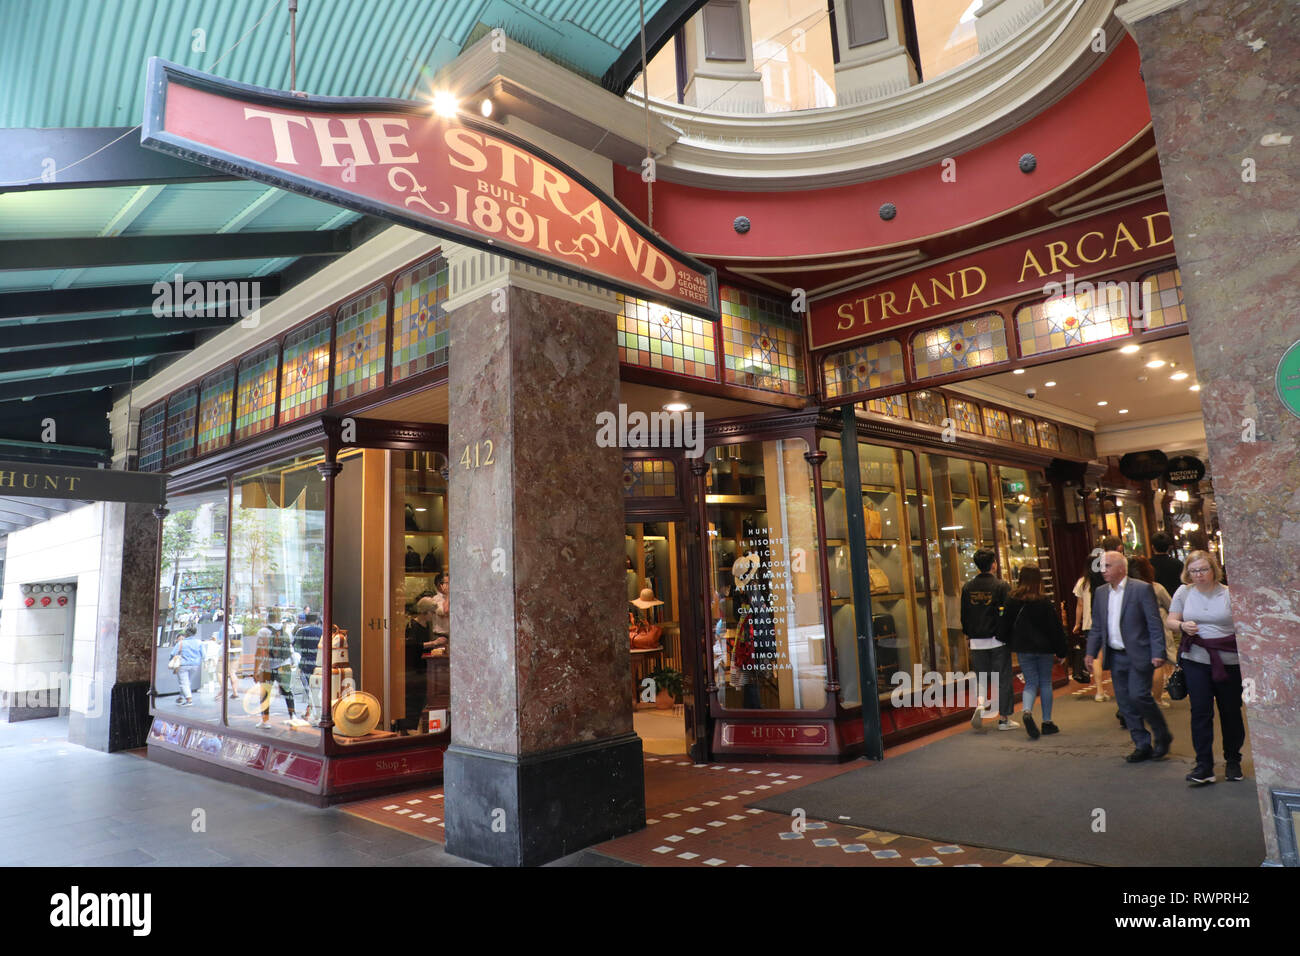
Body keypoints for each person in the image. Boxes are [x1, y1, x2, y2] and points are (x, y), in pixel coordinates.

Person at [1086, 551, 1173, 763]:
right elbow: (1097, 626)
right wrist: (1090, 652)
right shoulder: (1100, 592)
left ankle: (1162, 734)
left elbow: (1154, 623)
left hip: (1139, 653)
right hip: (1115, 655)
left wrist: (1158, 652)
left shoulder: (1141, 589)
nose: (1103, 570)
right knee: (1124, 703)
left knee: (1138, 695)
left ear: (1121, 568)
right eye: (1101, 566)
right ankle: (1141, 744)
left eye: (1107, 566)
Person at [1167, 550, 1244, 785]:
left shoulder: (1229, 594)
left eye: (1203, 570)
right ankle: (1204, 766)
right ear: (1187, 573)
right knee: (1200, 711)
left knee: (1230, 711)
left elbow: (1244, 625)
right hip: (1195, 659)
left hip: (1228, 661)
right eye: (1193, 571)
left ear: (1214, 570)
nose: (1199, 575)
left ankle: (1233, 761)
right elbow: (1170, 621)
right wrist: (1182, 625)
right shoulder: (1184, 592)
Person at [998, 564, 1068, 739]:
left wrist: (1008, 641)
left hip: (1023, 648)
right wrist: (1061, 650)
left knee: (1030, 683)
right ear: (1039, 580)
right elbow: (1054, 628)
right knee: (1045, 682)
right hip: (1044, 648)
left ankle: (1027, 712)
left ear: (1020, 578)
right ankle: (1047, 722)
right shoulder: (1043, 601)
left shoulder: (1012, 600)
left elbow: (1004, 625)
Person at [961, 549, 1015, 731]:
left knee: (982, 677)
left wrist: (968, 634)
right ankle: (1004, 719)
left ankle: (981, 704)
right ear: (993, 564)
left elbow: (964, 615)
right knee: (1003, 678)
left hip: (976, 640)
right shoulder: (1002, 586)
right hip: (997, 639)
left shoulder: (967, 587)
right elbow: (1008, 614)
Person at [1130, 555, 1176, 706]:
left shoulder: (1126, 590)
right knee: (1158, 663)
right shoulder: (1156, 587)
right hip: (1156, 627)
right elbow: (1171, 606)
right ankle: (1156, 698)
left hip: (1134, 629)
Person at [401, 595, 436, 732]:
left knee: (421, 697)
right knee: (414, 698)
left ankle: (416, 727)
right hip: (414, 668)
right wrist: (433, 643)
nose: (433, 615)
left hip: (423, 667)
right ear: (425, 612)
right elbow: (412, 646)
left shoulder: (426, 626)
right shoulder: (413, 626)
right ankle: (408, 728)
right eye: (431, 612)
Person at [253, 614, 296, 725]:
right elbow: (290, 646)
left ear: (267, 619)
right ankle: (293, 716)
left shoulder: (263, 631)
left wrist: (256, 670)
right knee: (287, 690)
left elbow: (259, 652)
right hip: (284, 665)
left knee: (265, 693)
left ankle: (265, 720)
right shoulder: (285, 630)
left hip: (267, 666)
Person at [293, 612, 323, 723]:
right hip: (319, 664)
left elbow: (296, 648)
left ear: (306, 620)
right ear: (316, 621)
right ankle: (315, 713)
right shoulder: (322, 631)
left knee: (309, 689)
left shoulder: (301, 631)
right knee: (318, 689)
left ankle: (310, 713)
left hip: (305, 663)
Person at [173, 624, 203, 707]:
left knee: (184, 682)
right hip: (195, 665)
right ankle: (181, 697)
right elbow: (203, 654)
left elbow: (173, 653)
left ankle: (189, 700)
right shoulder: (199, 642)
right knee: (187, 682)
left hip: (183, 665)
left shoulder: (181, 643)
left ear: (186, 633)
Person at [1150, 532, 1185, 598]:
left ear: (1153, 547)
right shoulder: (1178, 564)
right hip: (1176, 600)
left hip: (1155, 601)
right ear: (1169, 547)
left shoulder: (1148, 564)